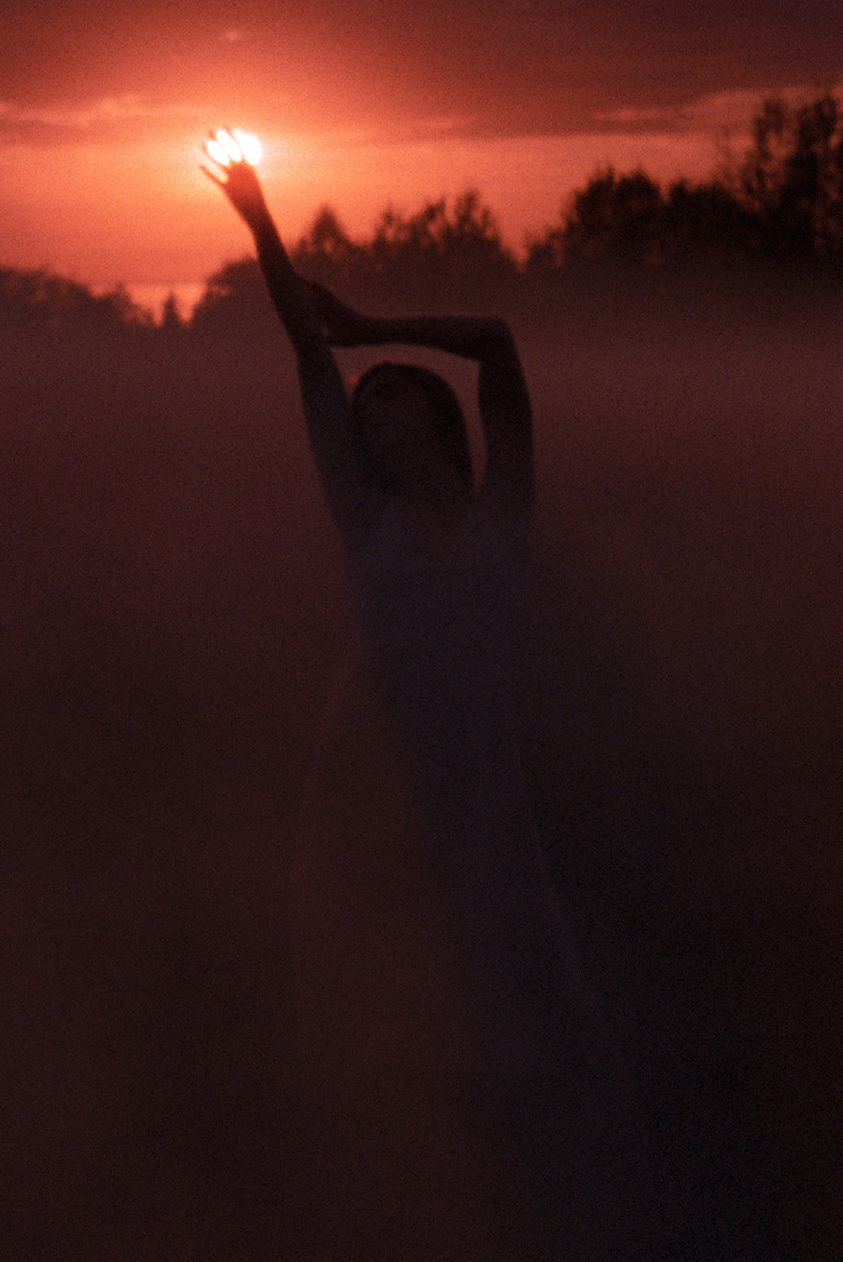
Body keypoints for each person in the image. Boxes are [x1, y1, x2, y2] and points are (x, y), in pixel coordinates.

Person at [204, 145, 617, 1256]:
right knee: (377, 952)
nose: (370, 408)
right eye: (365, 403)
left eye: (390, 398)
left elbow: (498, 343)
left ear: (434, 423)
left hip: (477, 775)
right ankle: (375, 1179)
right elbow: (303, 352)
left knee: (501, 962)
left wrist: (375, 325)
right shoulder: (365, 520)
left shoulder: (501, 521)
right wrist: (263, 225)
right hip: (375, 761)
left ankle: (523, 1179)